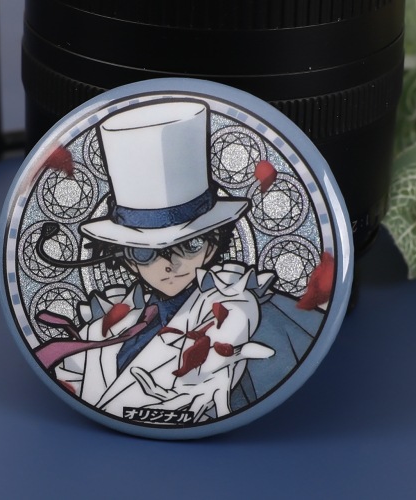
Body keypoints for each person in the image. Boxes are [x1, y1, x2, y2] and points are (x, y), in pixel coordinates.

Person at [39, 99, 276, 424]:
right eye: (145, 252)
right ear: (128, 260)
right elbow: (76, 380)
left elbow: (238, 329)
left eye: (190, 245)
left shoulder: (233, 307)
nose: (170, 265)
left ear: (211, 248)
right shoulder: (109, 325)